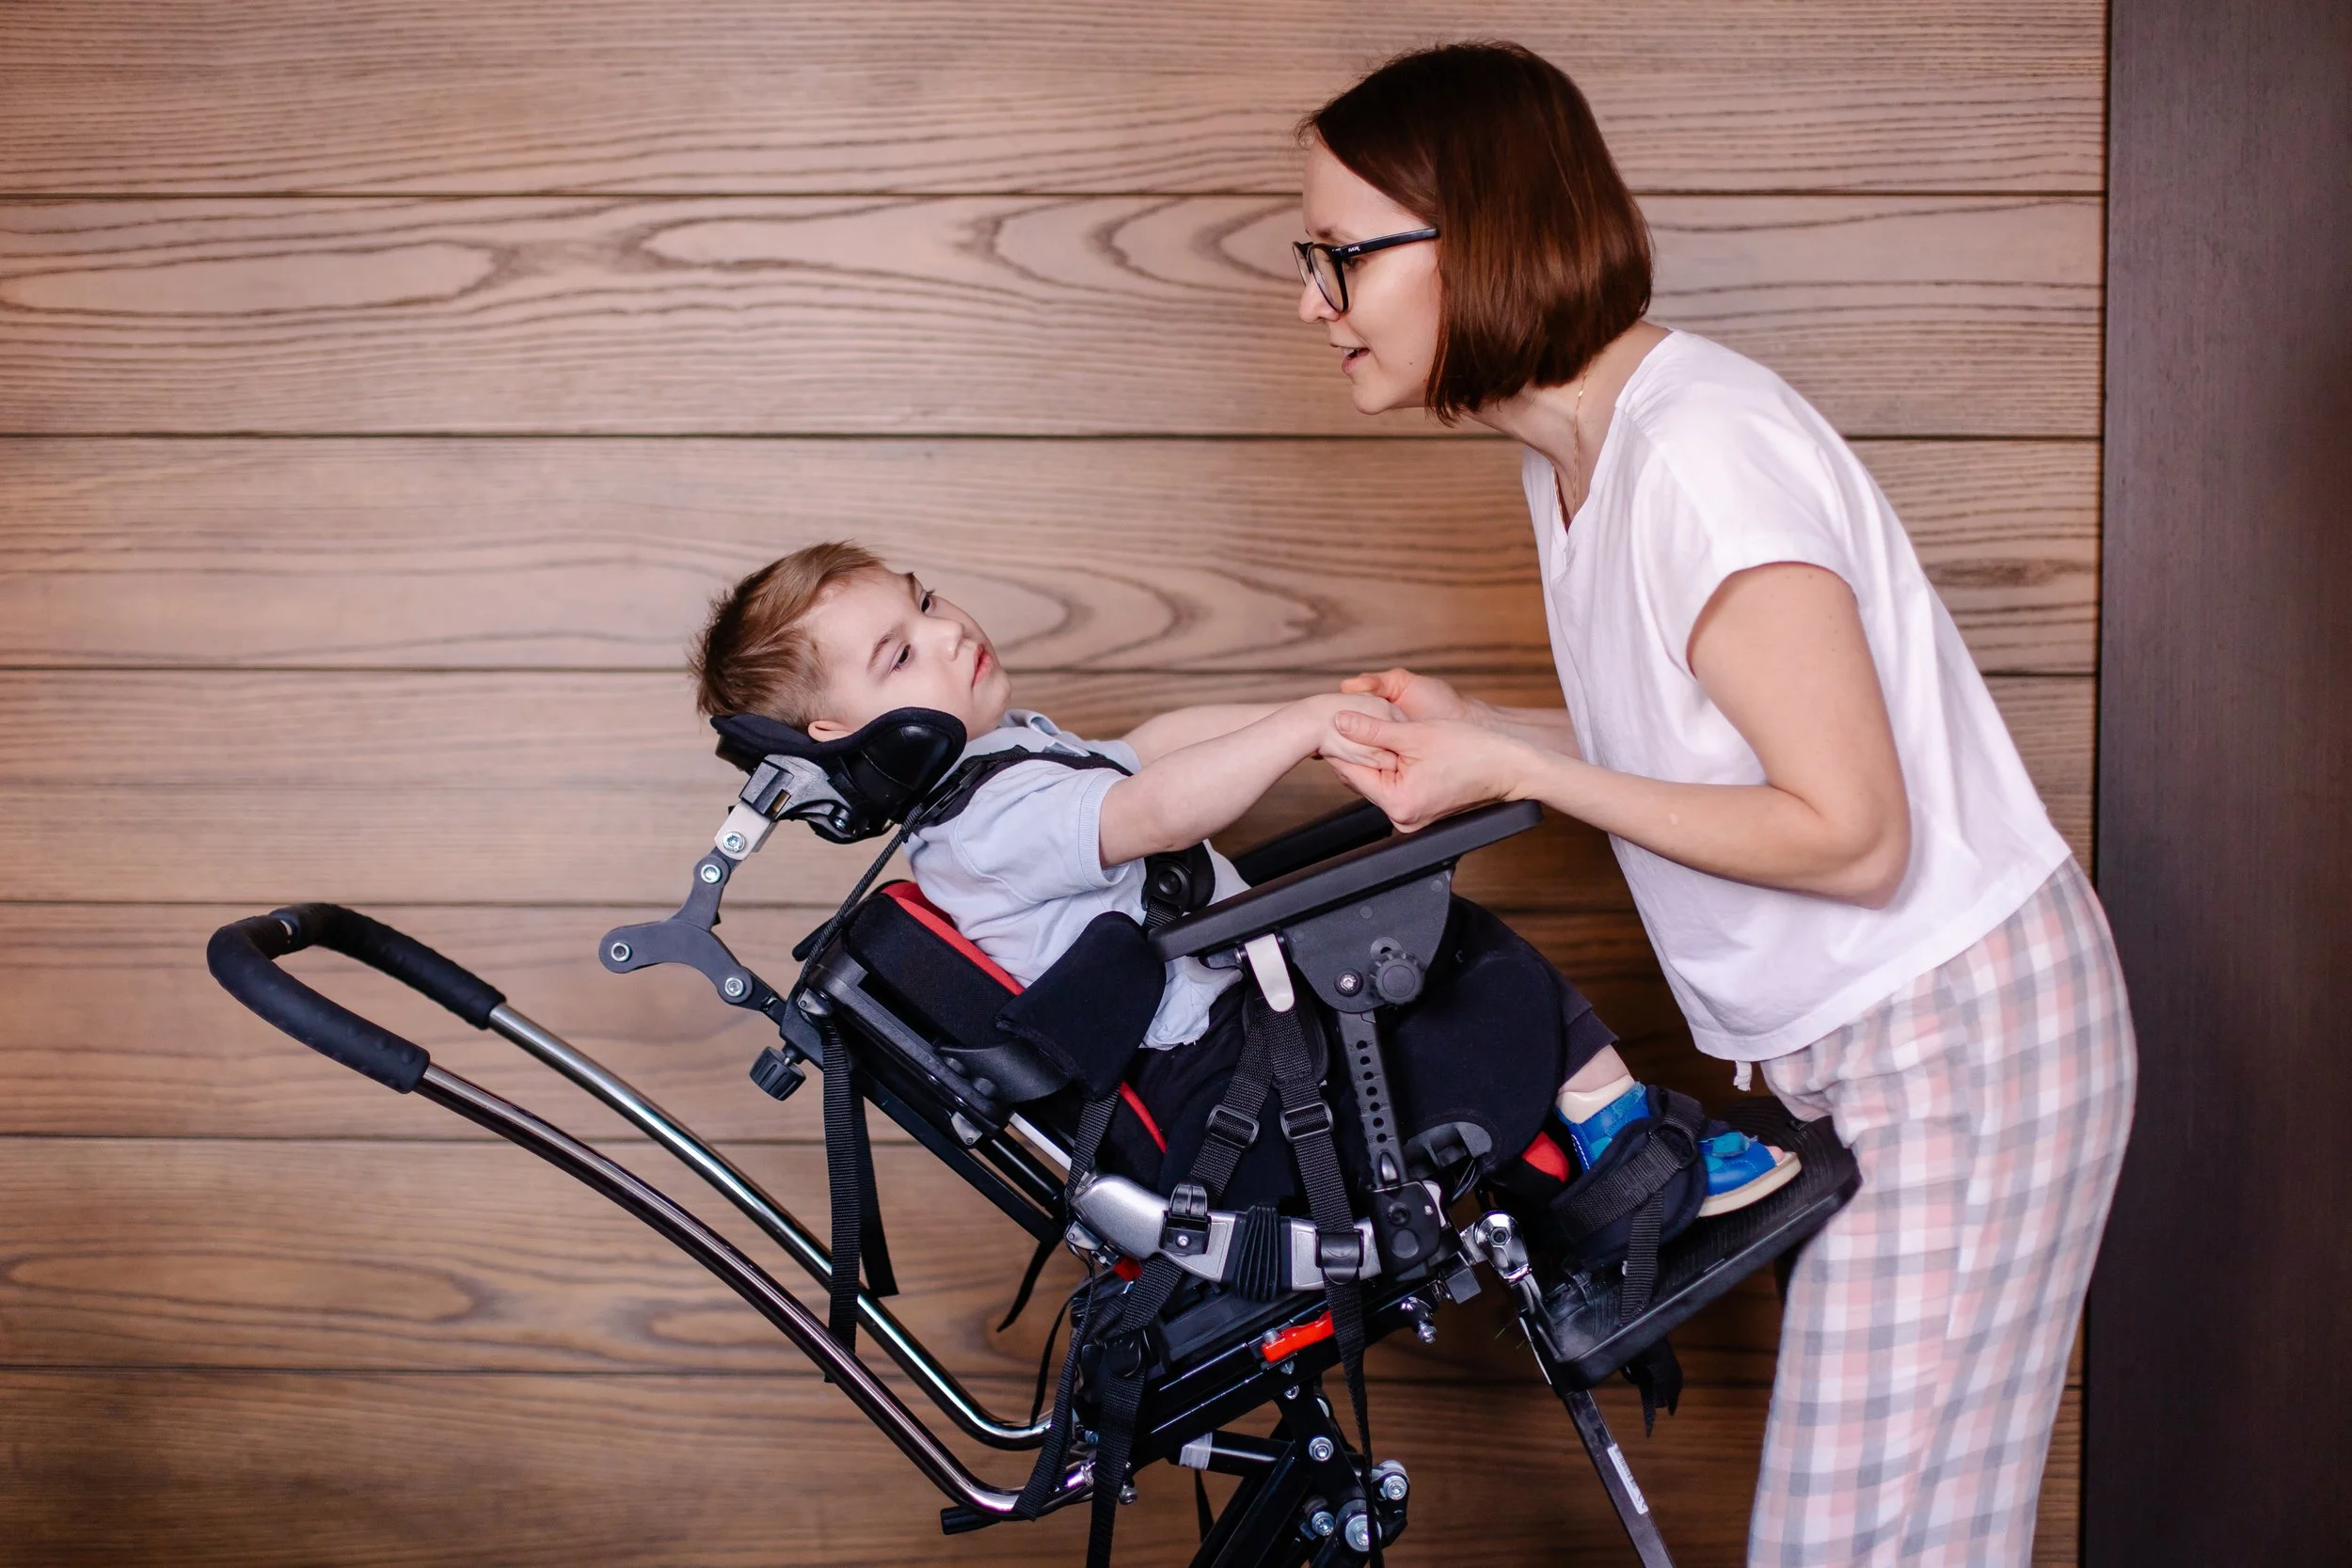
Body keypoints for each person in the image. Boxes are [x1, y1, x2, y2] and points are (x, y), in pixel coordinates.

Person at [1289, 41, 2136, 1568]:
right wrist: (1496, 730)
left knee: (1862, 1545)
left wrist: (1525, 766)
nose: (1314, 299)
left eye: (1341, 255)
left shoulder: (1699, 455)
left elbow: (1852, 833)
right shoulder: (1577, 462)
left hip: (1965, 1036)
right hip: (1903, 1042)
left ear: (1474, 235)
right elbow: (1706, 736)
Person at [686, 539, 1798, 1211]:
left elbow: (1154, 746)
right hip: (1229, 1084)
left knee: (1423, 952)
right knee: (1458, 961)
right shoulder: (984, 829)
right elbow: (1152, 805)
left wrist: (1314, 722)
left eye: (922, 602)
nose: (944, 629)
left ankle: (1594, 1153)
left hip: (1254, 1030)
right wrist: (1305, 723)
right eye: (899, 653)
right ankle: (1627, 1153)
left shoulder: (1003, 760)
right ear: (841, 738)